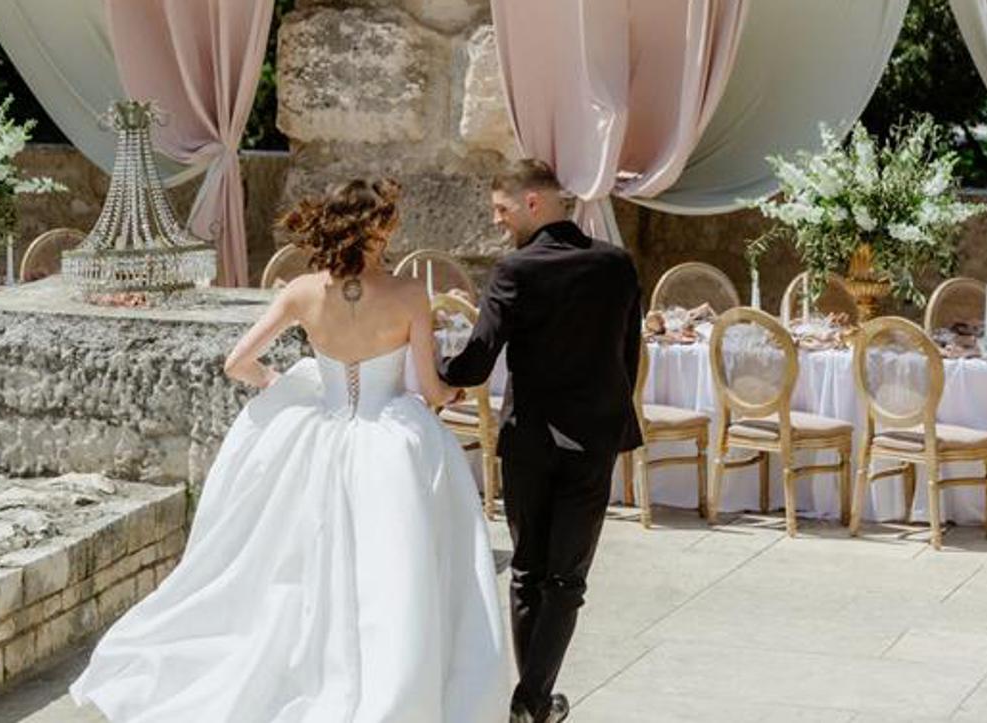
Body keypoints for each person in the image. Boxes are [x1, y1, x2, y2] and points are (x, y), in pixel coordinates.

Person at [69, 178, 512, 722]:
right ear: (376, 230)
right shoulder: (407, 293)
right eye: (389, 222)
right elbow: (432, 389)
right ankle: (394, 682)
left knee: (302, 566)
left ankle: (306, 669)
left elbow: (238, 363)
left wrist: (280, 381)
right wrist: (453, 393)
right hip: (391, 446)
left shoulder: (302, 291)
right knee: (393, 569)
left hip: (319, 436)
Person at [440, 160, 643, 723]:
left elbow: (476, 362)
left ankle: (531, 702)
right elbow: (629, 356)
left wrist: (429, 371)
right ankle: (532, 703)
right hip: (594, 439)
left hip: (529, 440)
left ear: (534, 202)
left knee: (528, 571)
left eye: (501, 209)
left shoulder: (516, 270)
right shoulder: (617, 265)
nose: (497, 221)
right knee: (567, 578)